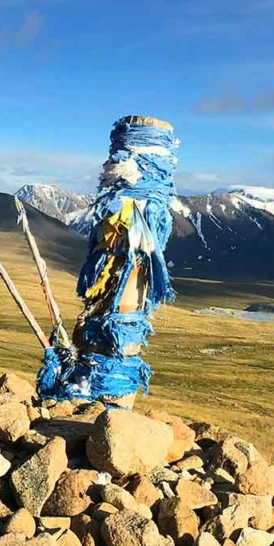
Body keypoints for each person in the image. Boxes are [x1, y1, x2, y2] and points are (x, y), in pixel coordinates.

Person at [38, 115, 177, 408]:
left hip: (138, 215)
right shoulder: (123, 211)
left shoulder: (143, 210)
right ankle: (98, 396)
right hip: (130, 216)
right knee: (116, 260)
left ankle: (105, 394)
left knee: (131, 261)